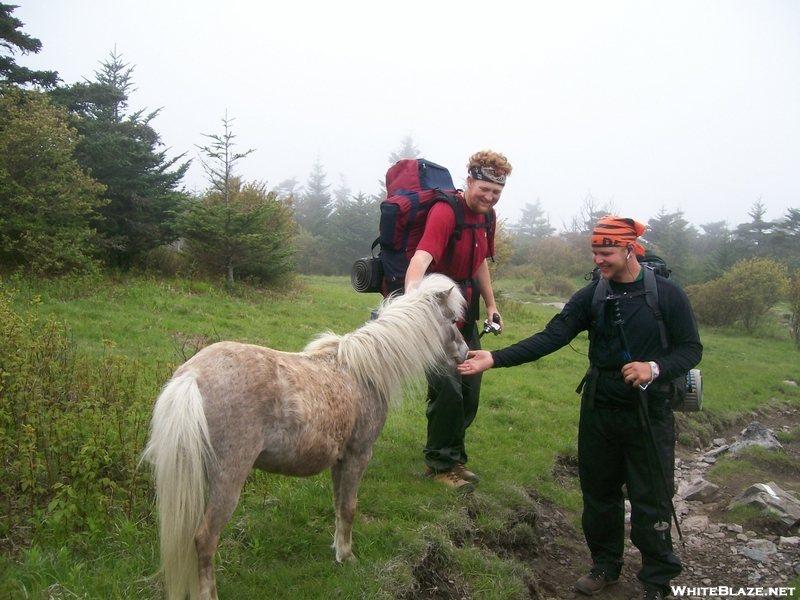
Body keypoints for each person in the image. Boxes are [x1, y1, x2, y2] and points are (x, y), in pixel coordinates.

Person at [458, 216, 702, 600]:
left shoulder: (668, 295)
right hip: (600, 407)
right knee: (598, 494)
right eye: (595, 252)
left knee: (651, 498)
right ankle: (605, 565)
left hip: (649, 412)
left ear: (629, 248)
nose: (598, 260)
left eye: (605, 252)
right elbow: (552, 336)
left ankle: (657, 579)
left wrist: (653, 367)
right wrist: (496, 358)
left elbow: (691, 349)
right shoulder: (592, 295)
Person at [404, 150, 512, 492]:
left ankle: (454, 457)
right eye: (484, 188)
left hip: (466, 310)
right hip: (435, 311)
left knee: (470, 386)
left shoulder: (487, 217)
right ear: (469, 181)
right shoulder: (445, 211)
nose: (489, 197)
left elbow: (480, 262)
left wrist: (491, 305)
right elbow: (421, 258)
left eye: (496, 192)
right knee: (447, 389)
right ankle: (439, 465)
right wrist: (412, 302)